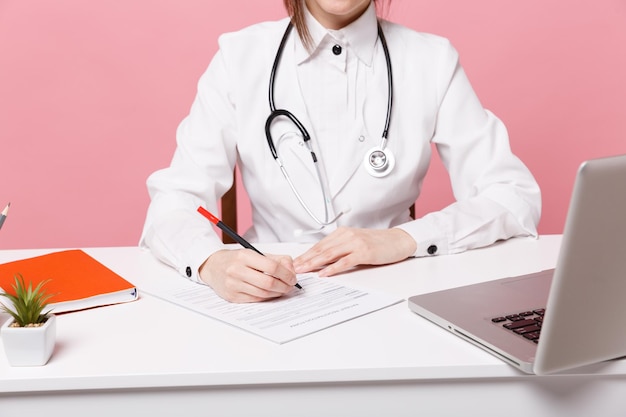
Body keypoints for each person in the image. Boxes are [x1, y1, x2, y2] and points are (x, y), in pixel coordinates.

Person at [140, 0, 541, 303]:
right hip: (270, 298)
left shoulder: (431, 59)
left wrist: (405, 239)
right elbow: (174, 202)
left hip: (397, 295)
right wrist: (212, 263)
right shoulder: (239, 57)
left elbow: (513, 195)